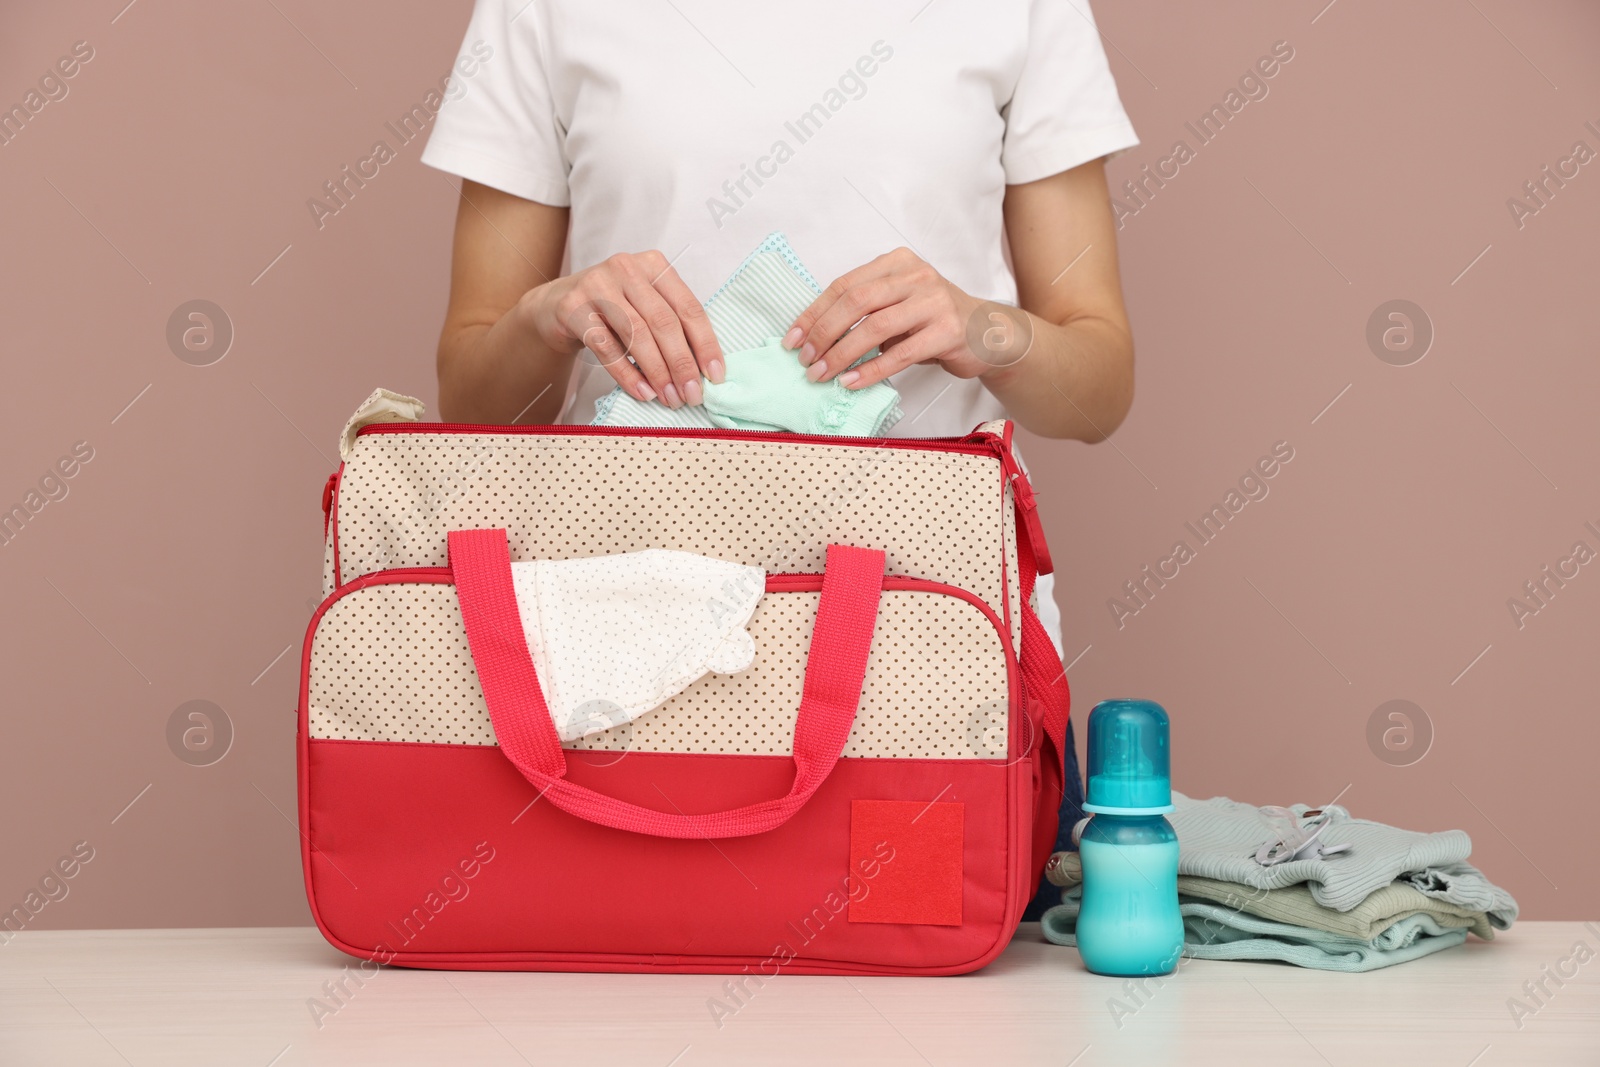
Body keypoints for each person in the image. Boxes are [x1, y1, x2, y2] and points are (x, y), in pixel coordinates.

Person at [421, 0, 1140, 917]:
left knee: (945, 1009)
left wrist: (975, 326)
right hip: (632, 656)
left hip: (929, 657)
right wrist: (548, 316)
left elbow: (1100, 388)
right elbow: (477, 405)